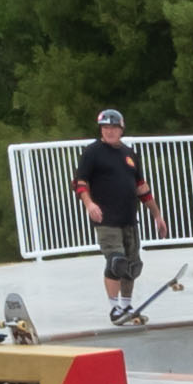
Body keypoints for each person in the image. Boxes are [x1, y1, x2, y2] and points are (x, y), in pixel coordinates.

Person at [75, 109, 155, 313]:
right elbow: (80, 182)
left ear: (121, 129)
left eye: (113, 127)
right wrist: (89, 204)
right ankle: (114, 307)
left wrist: (157, 215)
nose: (109, 131)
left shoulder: (129, 154)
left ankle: (127, 306)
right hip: (106, 218)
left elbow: (141, 187)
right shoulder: (93, 152)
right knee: (116, 262)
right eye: (105, 128)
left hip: (128, 217)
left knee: (132, 265)